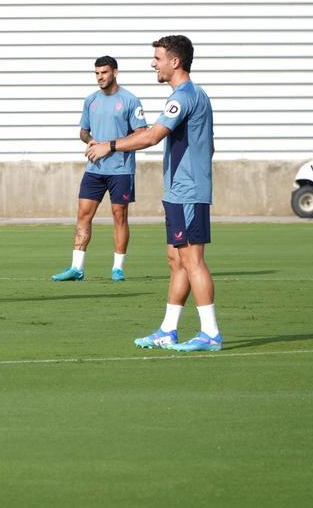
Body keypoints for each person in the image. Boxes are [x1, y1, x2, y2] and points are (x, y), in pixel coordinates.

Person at [86, 35, 220, 352]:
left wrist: (110, 145)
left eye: (158, 58)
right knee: (176, 260)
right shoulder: (188, 96)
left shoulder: (184, 97)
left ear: (175, 61)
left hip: (188, 192)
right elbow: (209, 145)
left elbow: (152, 137)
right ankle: (168, 330)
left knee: (193, 260)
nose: (153, 63)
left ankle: (210, 333)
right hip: (179, 190)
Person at [51, 56, 147, 282]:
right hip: (94, 169)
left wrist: (110, 147)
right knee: (83, 215)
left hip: (121, 170)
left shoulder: (130, 100)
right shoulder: (90, 100)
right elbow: (83, 131)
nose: (100, 77)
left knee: (119, 216)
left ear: (115, 72)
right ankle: (77, 268)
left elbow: (142, 134)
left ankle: (118, 268)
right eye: (97, 73)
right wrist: (90, 140)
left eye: (104, 72)